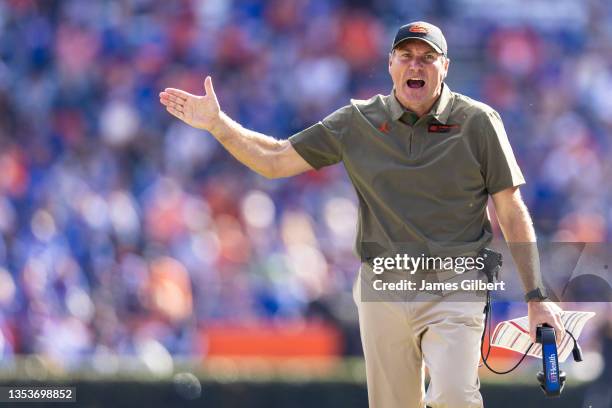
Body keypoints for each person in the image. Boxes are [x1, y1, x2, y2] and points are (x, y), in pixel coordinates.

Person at [160, 21, 565, 408]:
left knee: (455, 397)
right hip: (383, 285)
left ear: (445, 66)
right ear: (390, 64)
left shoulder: (478, 122)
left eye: (428, 57)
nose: (416, 65)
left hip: (455, 283)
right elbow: (275, 160)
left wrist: (536, 297)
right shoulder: (358, 122)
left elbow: (511, 210)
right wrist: (217, 125)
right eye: (406, 55)